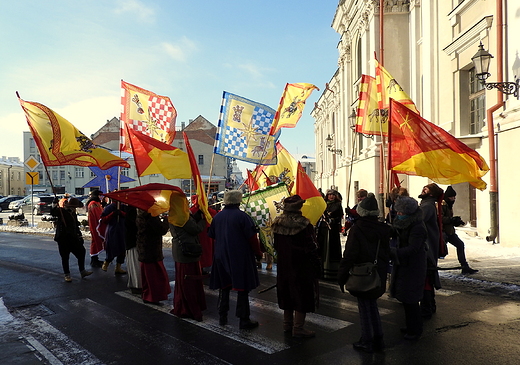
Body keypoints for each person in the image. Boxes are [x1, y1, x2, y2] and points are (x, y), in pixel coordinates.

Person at [338, 193, 391, 352]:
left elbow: (350, 255)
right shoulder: (383, 228)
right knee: (372, 305)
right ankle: (378, 338)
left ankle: (367, 340)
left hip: (362, 272)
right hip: (378, 271)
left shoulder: (358, 228)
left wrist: (342, 275)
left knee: (364, 307)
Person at [208, 190, 263, 329]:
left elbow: (212, 234)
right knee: (242, 288)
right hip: (239, 256)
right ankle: (243, 319)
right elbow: (252, 238)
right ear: (238, 201)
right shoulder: (243, 217)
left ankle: (222, 316)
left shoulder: (218, 217)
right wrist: (258, 253)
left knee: (224, 287)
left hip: (221, 255)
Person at [272, 195, 321, 338]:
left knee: (286, 292)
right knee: (301, 295)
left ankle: (287, 324)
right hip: (301, 266)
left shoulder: (277, 223)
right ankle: (298, 328)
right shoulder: (304, 225)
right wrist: (316, 265)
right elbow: (311, 247)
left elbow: (275, 245)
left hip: (283, 265)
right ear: (299, 207)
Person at [390, 196, 427, 340]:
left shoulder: (417, 227)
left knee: (411, 299)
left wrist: (394, 253)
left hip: (414, 266)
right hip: (404, 265)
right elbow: (394, 232)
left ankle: (415, 329)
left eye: (400, 212)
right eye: (397, 212)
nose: (398, 214)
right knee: (406, 298)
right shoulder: (402, 223)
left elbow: (413, 248)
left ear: (409, 213)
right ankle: (410, 325)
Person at [170, 204, 207, 321]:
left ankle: (182, 306)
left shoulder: (174, 215)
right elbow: (195, 229)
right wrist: (202, 219)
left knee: (182, 282)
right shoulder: (182, 217)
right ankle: (190, 309)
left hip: (180, 252)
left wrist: (194, 216)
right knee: (189, 283)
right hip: (187, 252)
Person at [51, 197, 93, 282]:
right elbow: (53, 212)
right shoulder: (61, 211)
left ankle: (82, 271)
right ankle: (67, 274)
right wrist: (54, 203)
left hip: (73, 237)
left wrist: (79, 236)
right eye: (74, 207)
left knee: (81, 252)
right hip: (63, 238)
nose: (75, 209)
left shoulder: (73, 213)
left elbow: (75, 226)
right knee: (65, 257)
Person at [418, 183, 443, 319]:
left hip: (426, 248)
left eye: (426, 189)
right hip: (428, 246)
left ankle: (426, 308)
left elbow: (418, 220)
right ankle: (430, 305)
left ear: (431, 194)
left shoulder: (427, 206)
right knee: (428, 276)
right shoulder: (427, 204)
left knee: (426, 277)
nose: (423, 189)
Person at [136, 209, 171, 304]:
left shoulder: (140, 215)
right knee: (154, 277)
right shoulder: (150, 217)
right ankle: (152, 297)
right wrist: (166, 220)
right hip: (152, 250)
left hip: (143, 248)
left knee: (147, 277)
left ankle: (146, 295)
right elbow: (162, 229)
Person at [441, 186, 478, 274]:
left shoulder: (449, 205)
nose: (453, 199)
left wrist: (455, 221)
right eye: (451, 197)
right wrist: (451, 220)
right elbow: (440, 218)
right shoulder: (442, 205)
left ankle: (464, 266)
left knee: (460, 245)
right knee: (440, 250)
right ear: (447, 197)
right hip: (443, 232)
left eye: (454, 197)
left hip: (450, 231)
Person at [317, 189, 343, 280]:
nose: (331, 196)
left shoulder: (338, 205)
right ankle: (321, 270)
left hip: (333, 231)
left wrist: (333, 220)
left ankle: (333, 271)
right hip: (323, 229)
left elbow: (340, 217)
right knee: (322, 249)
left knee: (332, 250)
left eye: (333, 195)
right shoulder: (323, 204)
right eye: (329, 194)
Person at [99, 199, 127, 275]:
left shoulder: (124, 207)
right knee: (111, 246)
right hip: (112, 230)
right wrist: (112, 214)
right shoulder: (109, 207)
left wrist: (122, 213)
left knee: (122, 248)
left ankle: (118, 267)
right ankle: (106, 263)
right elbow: (103, 219)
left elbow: (129, 216)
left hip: (122, 230)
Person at [125, 205, 141, 294]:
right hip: (133, 241)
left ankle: (135, 284)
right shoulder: (132, 212)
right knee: (135, 265)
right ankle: (137, 284)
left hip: (131, 241)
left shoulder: (130, 211)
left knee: (133, 264)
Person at [86, 190, 104, 268]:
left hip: (95, 225)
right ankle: (94, 260)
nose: (101, 197)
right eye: (100, 195)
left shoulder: (96, 203)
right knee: (95, 241)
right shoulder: (94, 204)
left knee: (96, 241)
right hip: (96, 225)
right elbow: (99, 215)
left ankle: (95, 258)